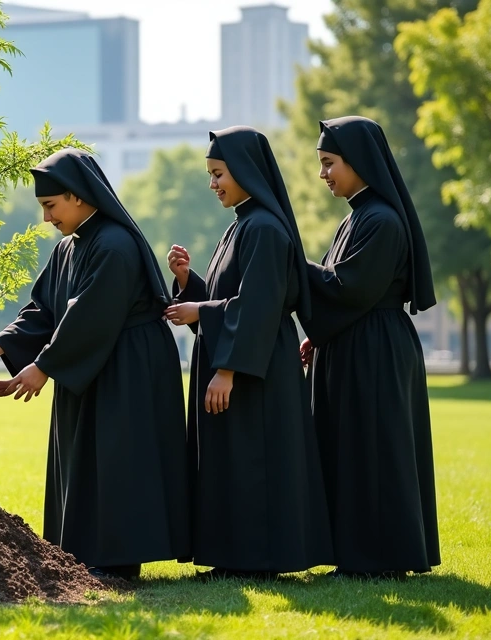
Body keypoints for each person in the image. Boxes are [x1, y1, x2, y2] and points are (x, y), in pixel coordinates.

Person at [0, 148, 189, 580]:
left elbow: (91, 316)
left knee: (119, 458)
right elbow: (45, 309)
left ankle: (118, 559)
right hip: (93, 362)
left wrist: (44, 365)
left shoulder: (114, 245)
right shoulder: (68, 248)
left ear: (77, 197)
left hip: (129, 366)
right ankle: (87, 554)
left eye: (50, 206)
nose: (46, 218)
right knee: (88, 457)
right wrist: (1, 344)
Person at [166, 127, 332, 579]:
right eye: (210, 175)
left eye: (218, 173)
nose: (213, 183)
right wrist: (189, 283)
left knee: (254, 463)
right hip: (244, 361)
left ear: (243, 171)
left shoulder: (263, 227)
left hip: (254, 372)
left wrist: (227, 370)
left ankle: (256, 560)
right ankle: (234, 556)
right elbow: (228, 298)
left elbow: (258, 305)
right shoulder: (244, 223)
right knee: (234, 463)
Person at [300, 116, 439, 578]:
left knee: (375, 449)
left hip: (375, 348)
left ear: (357, 161)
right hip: (356, 343)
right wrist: (315, 335)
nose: (323, 174)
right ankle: (357, 552)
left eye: (329, 163)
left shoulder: (380, 220)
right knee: (352, 448)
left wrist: (290, 262)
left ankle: (380, 557)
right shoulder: (360, 215)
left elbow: (348, 289)